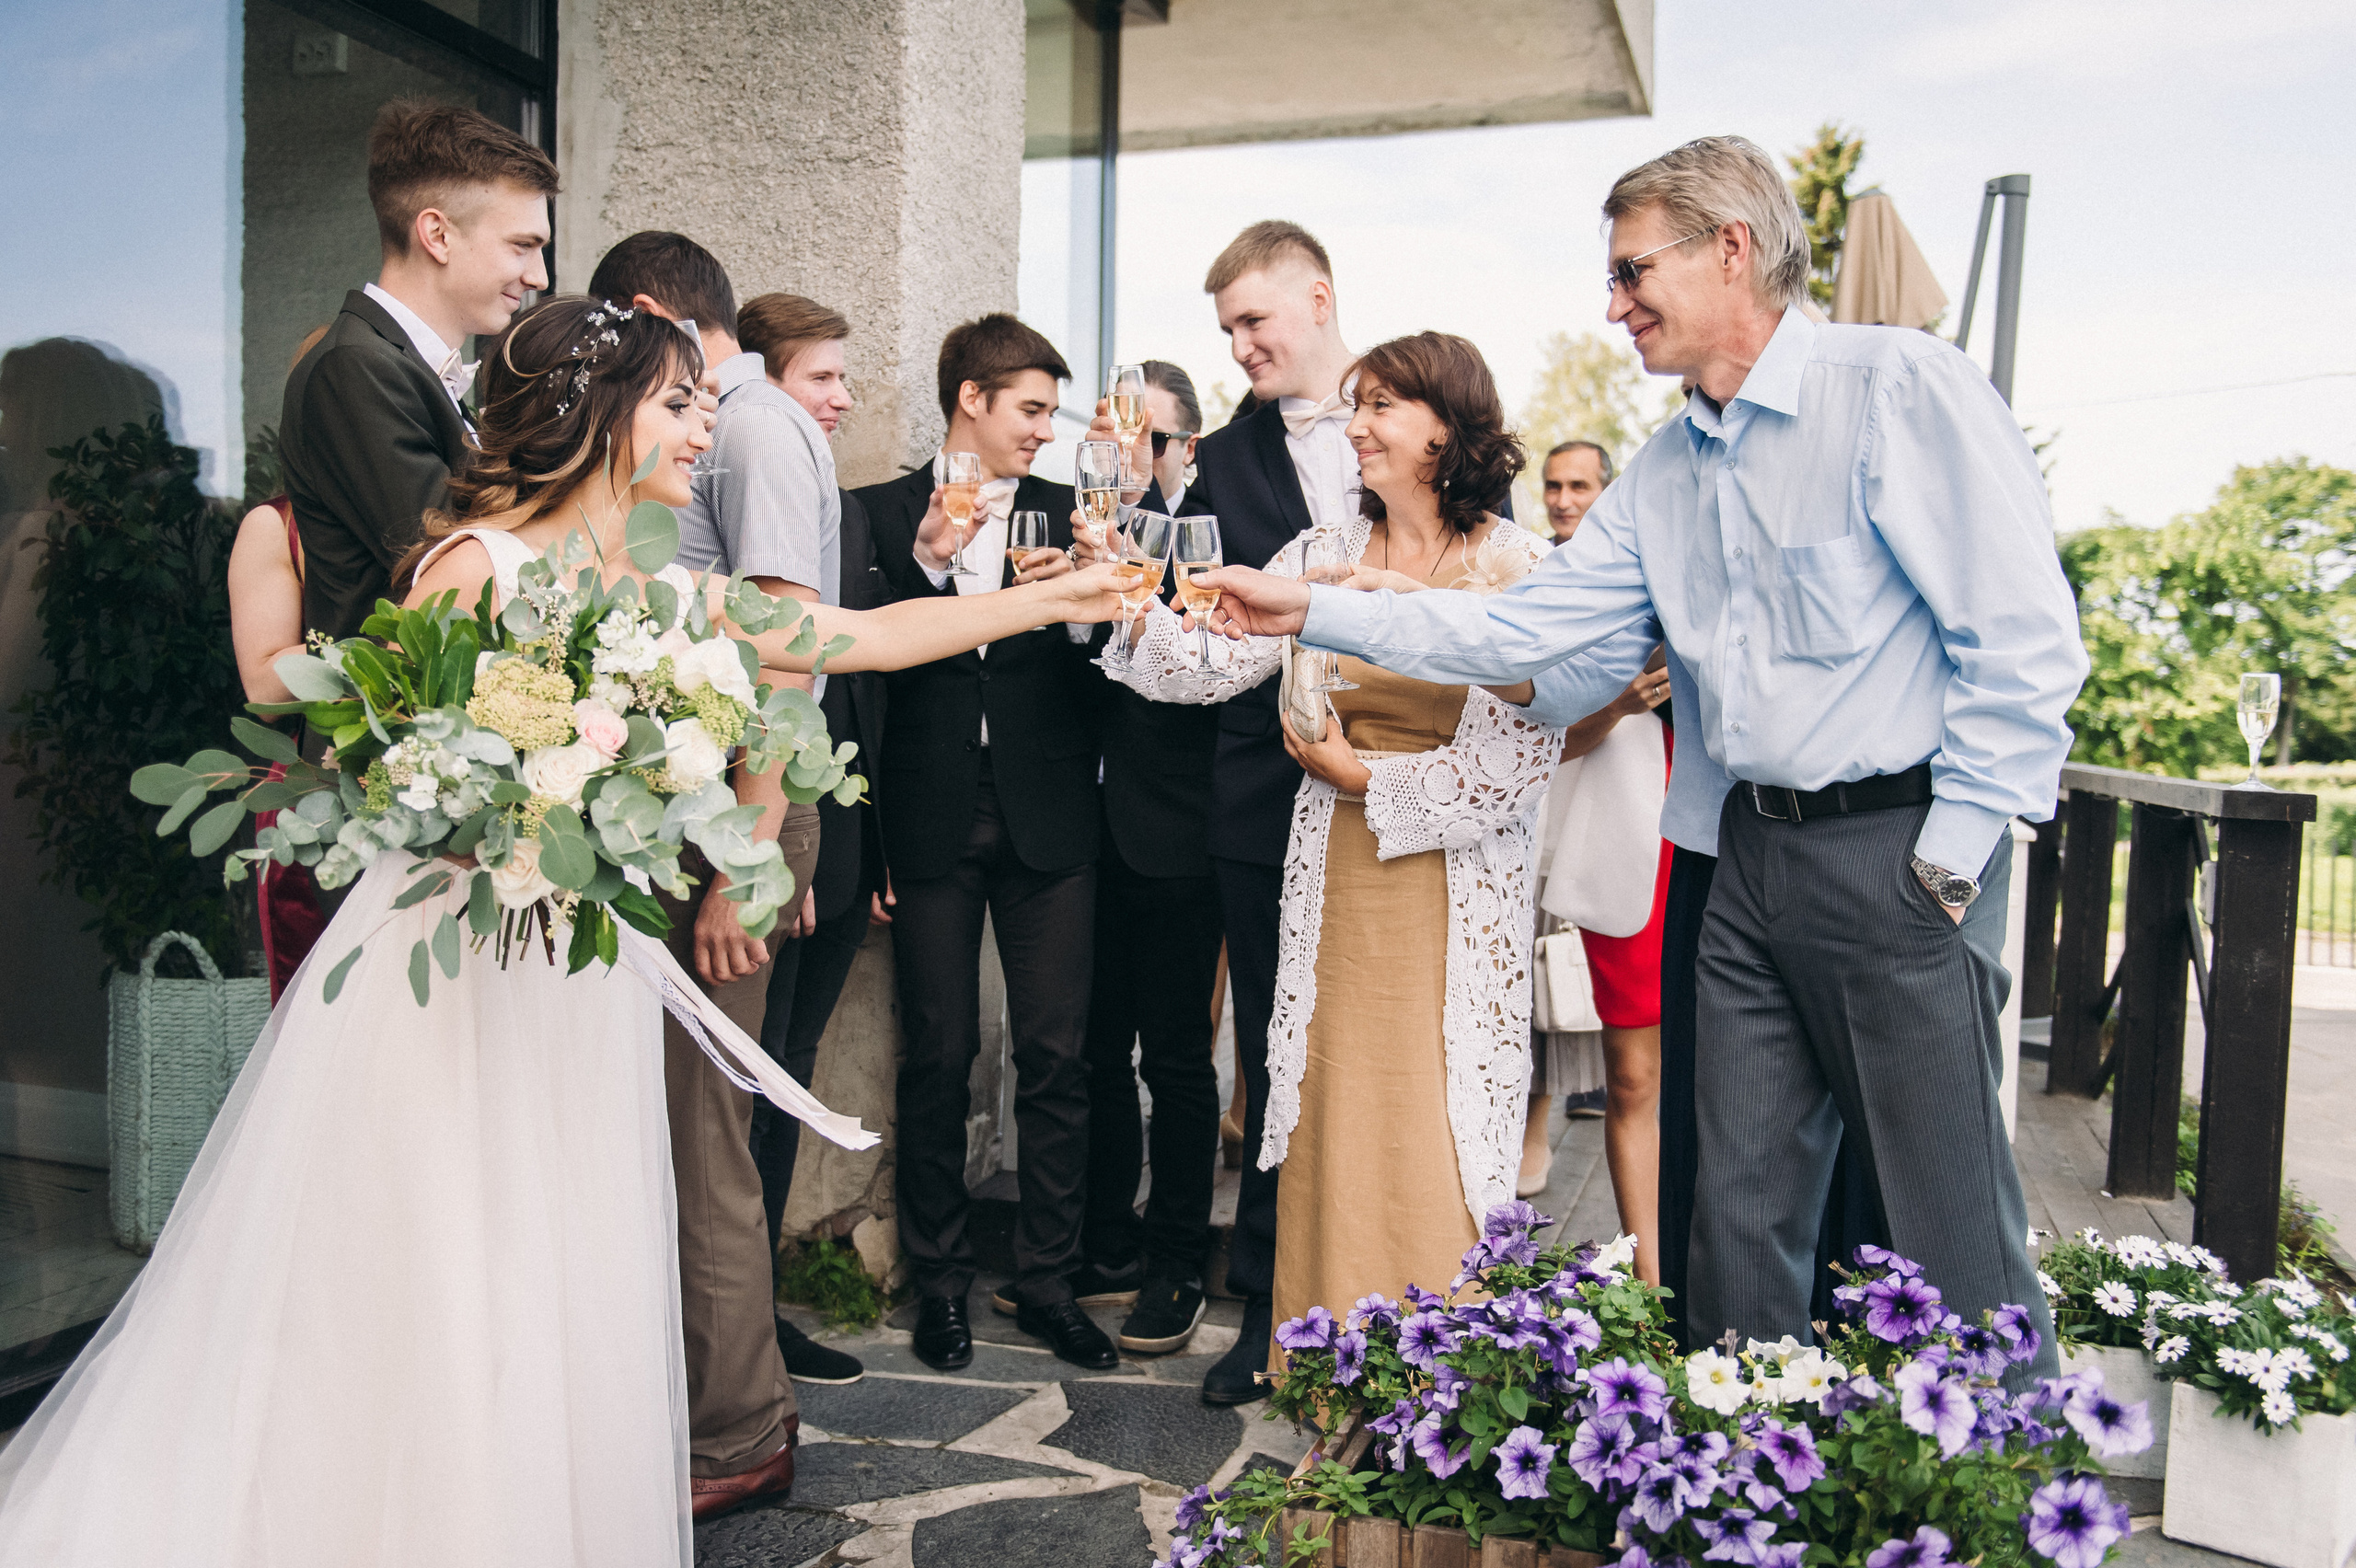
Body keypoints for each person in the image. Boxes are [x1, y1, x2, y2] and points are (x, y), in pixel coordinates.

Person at [0, 294, 1122, 1564]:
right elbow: (396, 767)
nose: (707, 430)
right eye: (683, 404)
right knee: (436, 1254)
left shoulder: (659, 587)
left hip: (574, 968)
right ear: (600, 417)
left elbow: (846, 636)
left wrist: (1054, 600)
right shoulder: (476, 565)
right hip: (454, 971)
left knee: (554, 1261)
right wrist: (522, 809)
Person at [1200, 136, 2084, 1378]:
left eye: (1630, 273)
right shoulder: (1667, 469)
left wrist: (1947, 863)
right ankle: (1740, 1499)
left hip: (1897, 859)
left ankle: (2016, 1515)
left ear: (1731, 249)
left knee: (1947, 1228)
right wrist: (1314, 609)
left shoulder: (1900, 390)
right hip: (1735, 868)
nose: (1613, 305)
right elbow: (1524, 634)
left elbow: (2028, 643)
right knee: (1731, 1216)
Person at [1104, 330, 1565, 1372]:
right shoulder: (1318, 557)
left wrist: (1365, 780)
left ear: (1448, 429)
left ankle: (1439, 1377)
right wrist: (1128, 588)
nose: (1355, 426)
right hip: (1333, 882)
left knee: (1432, 1115)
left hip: (1450, 891)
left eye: (1382, 407)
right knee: (1328, 1107)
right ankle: (1331, 1360)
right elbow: (1204, 666)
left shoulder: (1518, 568)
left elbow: (1516, 768)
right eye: (1355, 405)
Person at [578, 234, 853, 1505]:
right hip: (678, 820)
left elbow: (786, 654)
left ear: (643, 315)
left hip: (722, 824)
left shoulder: (750, 428)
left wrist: (750, 852)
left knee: (704, 1138)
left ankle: (741, 1434)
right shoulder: (712, 429)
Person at [854, 314, 1114, 1374]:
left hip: (1051, 818)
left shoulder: (1071, 514)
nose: (1047, 432)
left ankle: (1049, 1283)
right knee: (939, 1054)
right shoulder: (874, 516)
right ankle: (941, 1285)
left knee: (1057, 1057)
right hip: (925, 818)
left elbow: (1111, 652)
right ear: (972, 398)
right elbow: (856, 680)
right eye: (1033, 410)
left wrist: (1086, 596)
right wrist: (929, 561)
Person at [731, 292, 888, 1379]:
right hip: (779, 823)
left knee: (788, 1066)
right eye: (821, 378)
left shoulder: (832, 505)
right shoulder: (761, 472)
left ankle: (759, 1308)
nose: (840, 398)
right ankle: (735, 1319)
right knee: (753, 1072)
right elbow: (782, 676)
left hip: (830, 825)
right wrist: (785, 844)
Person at [279, 99, 559, 640]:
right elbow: (455, 555)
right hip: (392, 717)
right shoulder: (354, 369)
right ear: (437, 235)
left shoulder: (404, 367)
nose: (540, 277)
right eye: (522, 246)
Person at [1074, 359, 1223, 1355]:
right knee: (1088, 1057)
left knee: (1172, 1058)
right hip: (1070, 834)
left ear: (1186, 450)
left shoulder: (1214, 537)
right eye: (1109, 437)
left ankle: (1177, 1262)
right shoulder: (1071, 523)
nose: (1127, 454)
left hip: (1177, 831)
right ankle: (1104, 1244)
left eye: (1149, 440)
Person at [1540, 439, 1611, 544]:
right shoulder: (1524, 557)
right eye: (1553, 487)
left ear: (1608, 492)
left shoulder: (1633, 558)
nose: (1563, 504)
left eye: (1578, 487)